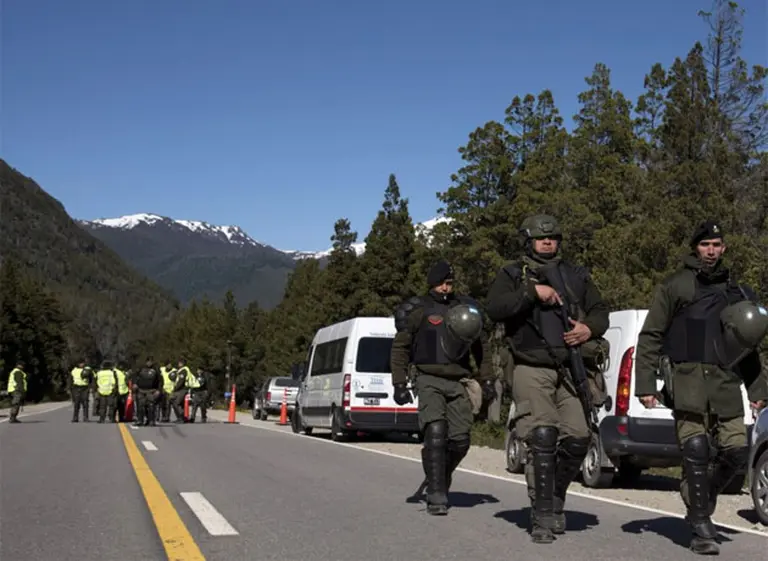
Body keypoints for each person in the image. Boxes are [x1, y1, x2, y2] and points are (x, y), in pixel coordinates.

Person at [635, 220, 768, 555]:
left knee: (737, 452)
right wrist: (646, 384)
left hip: (725, 383)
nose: (711, 251)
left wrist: (757, 391)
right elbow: (651, 335)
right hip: (687, 380)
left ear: (724, 248)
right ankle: (700, 525)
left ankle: (702, 494)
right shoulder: (676, 286)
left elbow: (747, 347)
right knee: (695, 448)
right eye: (705, 244)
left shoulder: (738, 293)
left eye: (717, 245)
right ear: (695, 247)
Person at [485, 214, 610, 543]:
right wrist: (531, 293)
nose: (548, 242)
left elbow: (600, 312)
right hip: (530, 364)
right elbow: (495, 308)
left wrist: (589, 328)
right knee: (542, 435)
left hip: (571, 367)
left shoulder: (576, 274)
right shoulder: (512, 274)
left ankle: (554, 495)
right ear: (528, 241)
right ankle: (541, 515)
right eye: (541, 238)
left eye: (553, 237)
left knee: (578, 439)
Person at [390, 260, 495, 515]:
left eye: (450, 283)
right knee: (436, 432)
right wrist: (399, 382)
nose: (447, 287)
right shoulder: (420, 311)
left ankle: (440, 474)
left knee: (460, 440)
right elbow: (401, 347)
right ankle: (437, 494)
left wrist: (487, 378)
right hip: (428, 378)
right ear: (433, 282)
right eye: (443, 282)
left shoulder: (465, 309)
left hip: (458, 380)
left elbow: (482, 347)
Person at [132, 357, 162, 427]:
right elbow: (134, 376)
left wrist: (158, 390)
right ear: (146, 362)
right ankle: (140, 420)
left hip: (151, 390)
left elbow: (160, 381)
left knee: (151, 406)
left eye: (151, 361)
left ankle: (151, 421)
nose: (149, 363)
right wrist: (134, 383)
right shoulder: (141, 368)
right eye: (148, 361)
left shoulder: (156, 369)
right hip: (141, 390)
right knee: (140, 406)